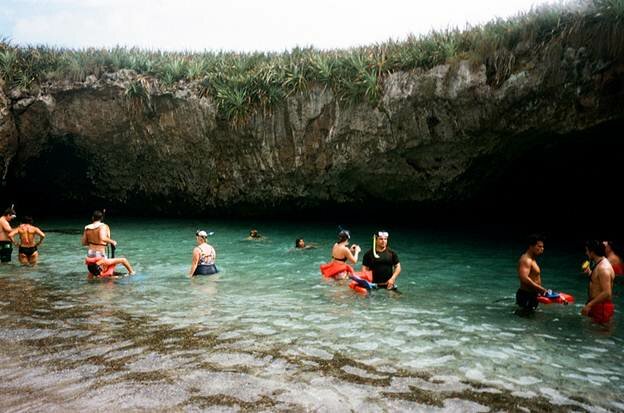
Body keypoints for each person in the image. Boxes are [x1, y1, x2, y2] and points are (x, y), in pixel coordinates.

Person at [81, 210, 134, 277]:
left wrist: (93, 242)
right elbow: (102, 237)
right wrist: (112, 241)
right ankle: (132, 273)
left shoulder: (87, 228)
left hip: (90, 253)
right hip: (99, 253)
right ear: (101, 218)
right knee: (104, 270)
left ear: (92, 218)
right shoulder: (103, 226)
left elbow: (83, 242)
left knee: (95, 269)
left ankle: (91, 282)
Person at [581, 240, 615, 324]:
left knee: (600, 334)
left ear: (592, 252)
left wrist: (589, 305)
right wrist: (589, 273)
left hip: (601, 308)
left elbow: (607, 293)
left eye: (587, 251)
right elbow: (598, 282)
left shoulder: (603, 268)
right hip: (596, 305)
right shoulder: (599, 264)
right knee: (593, 333)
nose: (586, 253)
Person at [516, 234, 548, 311]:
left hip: (532, 295)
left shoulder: (532, 259)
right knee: (525, 320)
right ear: (531, 246)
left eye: (543, 247)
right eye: (539, 246)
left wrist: (539, 291)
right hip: (526, 295)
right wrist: (541, 289)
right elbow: (524, 278)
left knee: (529, 319)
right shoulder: (526, 260)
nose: (542, 249)